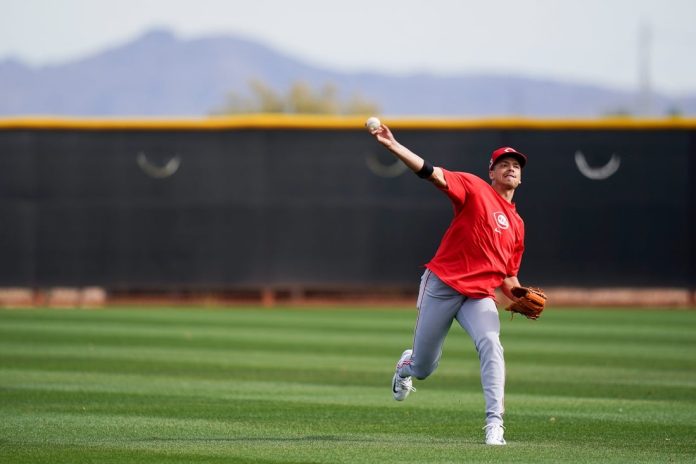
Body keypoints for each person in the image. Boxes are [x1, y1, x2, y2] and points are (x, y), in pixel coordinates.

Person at [369, 123, 529, 446]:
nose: (511, 168)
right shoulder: (474, 188)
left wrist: (519, 296)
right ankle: (405, 366)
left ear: (520, 177)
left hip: (478, 295)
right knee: (424, 367)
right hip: (443, 284)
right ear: (492, 172)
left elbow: (508, 277)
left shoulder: (517, 224)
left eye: (516, 165)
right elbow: (431, 173)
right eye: (503, 164)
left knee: (491, 344)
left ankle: (495, 425)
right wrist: (393, 146)